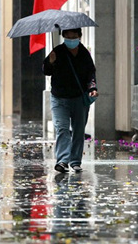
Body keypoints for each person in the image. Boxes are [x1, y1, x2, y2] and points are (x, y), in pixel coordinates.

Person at [43, 28, 98, 173]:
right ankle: (62, 161)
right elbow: (46, 70)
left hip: (79, 99)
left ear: (80, 37)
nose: (71, 39)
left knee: (78, 130)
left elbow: (91, 73)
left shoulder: (84, 53)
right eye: (68, 36)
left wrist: (92, 88)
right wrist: (50, 61)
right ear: (63, 36)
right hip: (59, 98)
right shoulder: (58, 51)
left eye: (74, 37)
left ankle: (75, 161)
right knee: (62, 128)